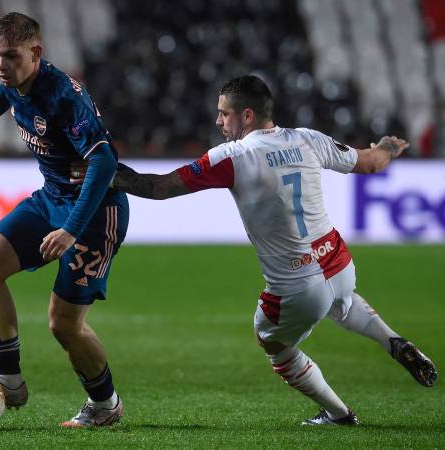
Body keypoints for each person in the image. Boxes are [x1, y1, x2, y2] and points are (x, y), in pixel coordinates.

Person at [102, 75, 437, 425]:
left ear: (247, 116)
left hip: (296, 285)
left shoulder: (233, 156)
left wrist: (106, 173)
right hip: (338, 263)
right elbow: (371, 163)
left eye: (223, 114)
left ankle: (339, 413)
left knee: (272, 342)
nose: (218, 121)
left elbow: (160, 187)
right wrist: (386, 146)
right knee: (344, 301)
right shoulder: (308, 138)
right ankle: (393, 341)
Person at [0, 12, 128, 428]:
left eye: (11, 56)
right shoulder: (16, 81)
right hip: (50, 198)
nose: (1, 65)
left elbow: (105, 160)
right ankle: (9, 380)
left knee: (63, 325)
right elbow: (5, 96)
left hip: (93, 213)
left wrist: (71, 228)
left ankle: (106, 406)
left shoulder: (64, 97)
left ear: (36, 53)